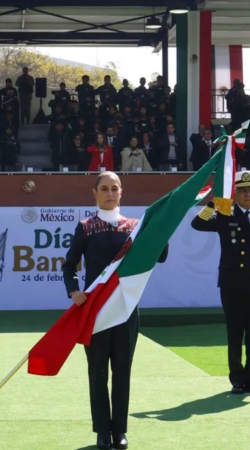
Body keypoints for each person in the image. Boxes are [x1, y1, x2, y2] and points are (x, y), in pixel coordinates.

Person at [63, 172, 168, 450]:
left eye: (115, 188)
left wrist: (161, 227)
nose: (110, 193)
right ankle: (102, 433)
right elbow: (69, 265)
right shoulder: (86, 227)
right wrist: (74, 291)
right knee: (97, 372)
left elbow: (161, 254)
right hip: (94, 313)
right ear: (94, 193)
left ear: (121, 192)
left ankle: (120, 431)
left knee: (122, 372)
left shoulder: (135, 226)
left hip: (126, 311)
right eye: (104, 188)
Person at [190, 171, 250, 395]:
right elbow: (197, 223)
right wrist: (214, 202)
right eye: (243, 190)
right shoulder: (225, 213)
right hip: (232, 284)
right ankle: (237, 379)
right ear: (235, 194)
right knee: (235, 333)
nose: (248, 194)